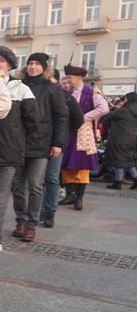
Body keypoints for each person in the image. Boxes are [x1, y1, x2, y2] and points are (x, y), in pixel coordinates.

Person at [0, 46, 38, 258]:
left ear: (10, 65)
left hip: (9, 151)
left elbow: (33, 121)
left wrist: (19, 141)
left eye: (1, 60)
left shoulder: (21, 89)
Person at [12, 53, 67, 242]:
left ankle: (31, 225)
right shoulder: (16, 86)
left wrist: (58, 143)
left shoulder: (52, 89)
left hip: (41, 143)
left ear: (44, 68)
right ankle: (20, 220)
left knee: (36, 185)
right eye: (30, 63)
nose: (33, 67)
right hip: (18, 142)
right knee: (18, 186)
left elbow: (61, 117)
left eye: (37, 64)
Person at [59, 63, 109, 210]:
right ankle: (69, 195)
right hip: (69, 132)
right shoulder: (68, 92)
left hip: (84, 133)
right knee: (66, 164)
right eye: (66, 77)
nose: (67, 80)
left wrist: (84, 117)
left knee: (82, 165)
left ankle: (79, 198)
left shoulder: (92, 91)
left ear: (79, 77)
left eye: (70, 77)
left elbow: (104, 108)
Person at [39, 69, 84, 227]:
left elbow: (78, 119)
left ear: (56, 81)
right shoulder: (38, 93)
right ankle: (36, 211)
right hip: (37, 143)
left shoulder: (67, 98)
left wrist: (63, 134)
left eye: (49, 80)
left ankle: (48, 211)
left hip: (56, 144)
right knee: (37, 180)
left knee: (51, 178)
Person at [102, 92, 137, 190]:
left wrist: (105, 132)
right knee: (127, 160)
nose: (124, 100)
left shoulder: (124, 110)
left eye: (125, 98)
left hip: (119, 138)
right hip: (131, 139)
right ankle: (135, 179)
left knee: (118, 159)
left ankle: (117, 183)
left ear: (129, 99)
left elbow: (107, 117)